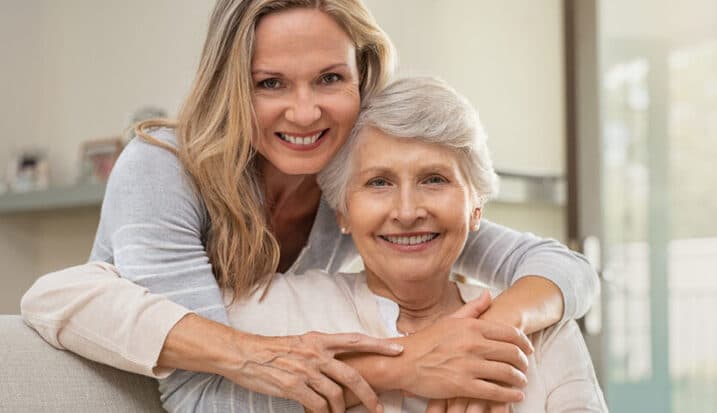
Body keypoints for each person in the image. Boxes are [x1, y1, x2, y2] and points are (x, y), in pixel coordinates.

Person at [21, 1, 599, 412]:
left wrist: (483, 338)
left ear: (362, 77)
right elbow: (196, 395)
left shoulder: (353, 182)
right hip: (125, 390)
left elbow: (565, 268)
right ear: (232, 87)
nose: (304, 113)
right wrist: (407, 364)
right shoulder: (164, 168)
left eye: (329, 78)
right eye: (270, 83)